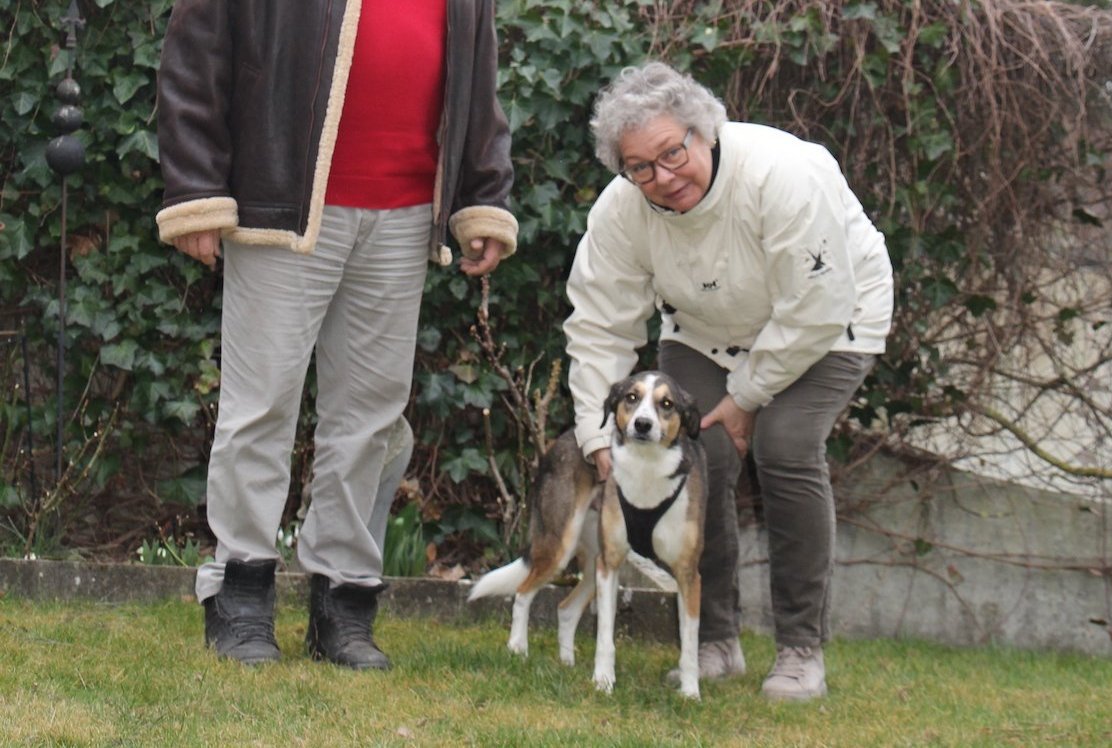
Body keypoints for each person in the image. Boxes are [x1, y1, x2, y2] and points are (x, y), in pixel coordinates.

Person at [154, 1, 518, 669]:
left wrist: (484, 194)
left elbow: (477, 81)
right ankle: (239, 596)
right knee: (259, 405)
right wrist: (196, 189)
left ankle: (343, 606)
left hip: (406, 216)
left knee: (371, 418)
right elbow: (194, 57)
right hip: (279, 206)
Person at [563, 62, 892, 701]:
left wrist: (745, 399)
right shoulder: (622, 211)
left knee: (786, 447)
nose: (662, 177)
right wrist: (596, 434)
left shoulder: (783, 173)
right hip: (706, 331)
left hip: (830, 323)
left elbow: (815, 307)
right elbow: (601, 323)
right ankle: (713, 640)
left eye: (673, 152)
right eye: (640, 167)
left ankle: (800, 650)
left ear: (704, 132)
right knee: (696, 455)